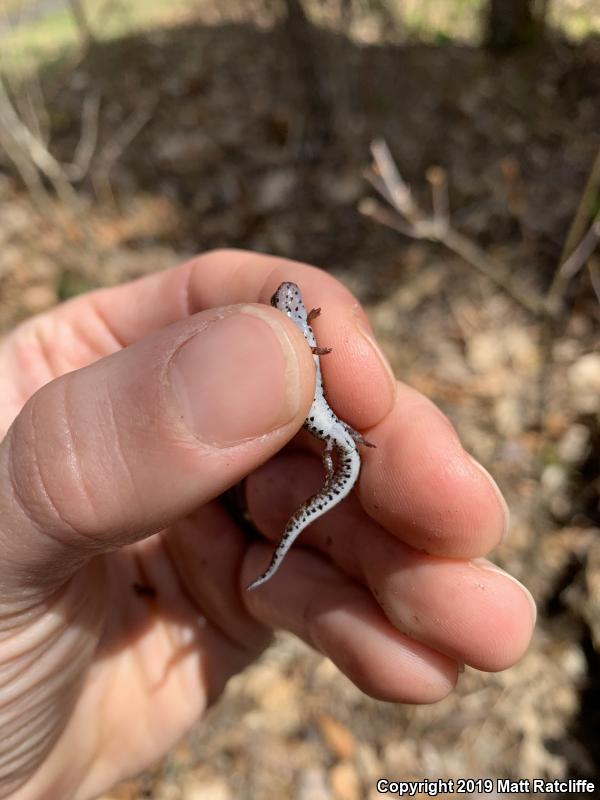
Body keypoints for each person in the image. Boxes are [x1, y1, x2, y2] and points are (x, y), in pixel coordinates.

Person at [0, 251, 535, 800]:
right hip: (321, 423)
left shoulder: (302, 334)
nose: (291, 302)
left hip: (327, 428)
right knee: (340, 450)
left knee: (345, 453)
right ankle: (284, 541)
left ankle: (285, 540)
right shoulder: (289, 335)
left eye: (292, 303)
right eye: (286, 304)